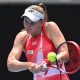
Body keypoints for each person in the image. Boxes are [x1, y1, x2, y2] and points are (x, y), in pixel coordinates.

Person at [7, 3, 70, 80]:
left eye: (32, 23)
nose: (27, 26)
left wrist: (48, 62)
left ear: (42, 22)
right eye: (25, 21)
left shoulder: (49, 27)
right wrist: (29, 65)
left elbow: (65, 54)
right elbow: (10, 65)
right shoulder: (22, 36)